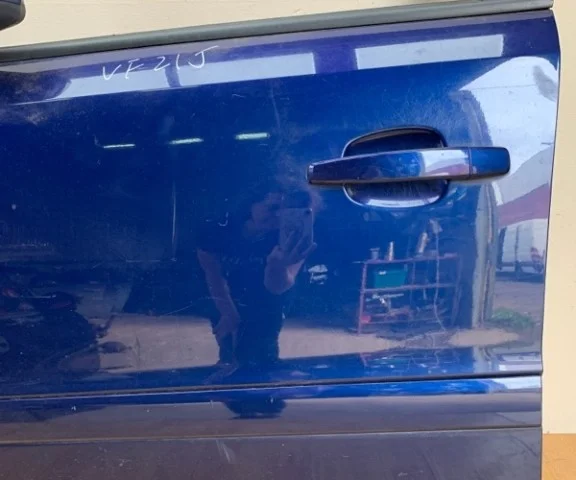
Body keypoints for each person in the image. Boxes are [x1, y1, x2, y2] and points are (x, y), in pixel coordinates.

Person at [197, 179, 317, 372]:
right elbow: (213, 274)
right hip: (224, 296)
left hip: (269, 303)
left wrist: (277, 265)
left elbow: (277, 288)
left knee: (264, 355)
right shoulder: (219, 230)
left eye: (288, 212)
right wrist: (228, 313)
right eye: (273, 207)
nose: (279, 215)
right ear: (251, 203)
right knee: (228, 352)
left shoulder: (293, 238)